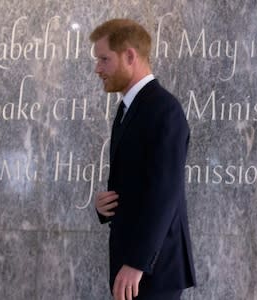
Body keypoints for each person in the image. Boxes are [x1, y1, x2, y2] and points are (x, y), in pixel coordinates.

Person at [91, 19, 196, 300]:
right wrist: (105, 207)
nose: (97, 68)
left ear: (129, 56)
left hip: (153, 269)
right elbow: (140, 184)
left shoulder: (164, 110)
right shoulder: (130, 107)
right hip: (137, 266)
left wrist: (138, 262)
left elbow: (165, 193)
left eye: (104, 59)